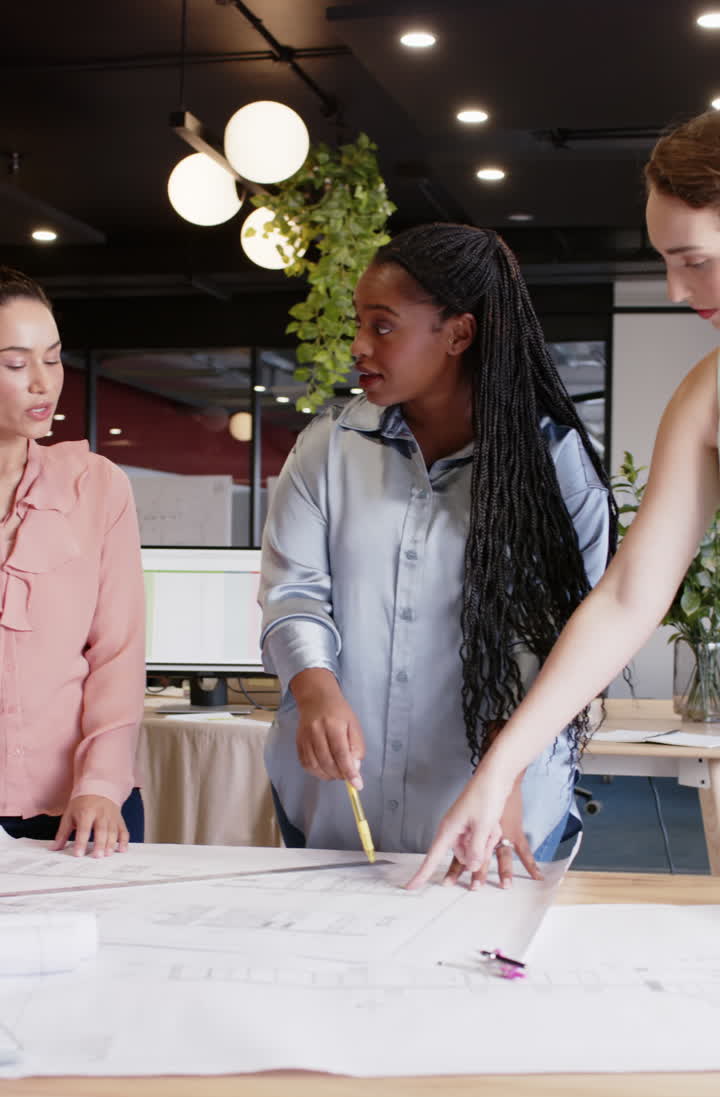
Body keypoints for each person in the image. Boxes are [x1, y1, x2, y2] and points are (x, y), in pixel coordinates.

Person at [409, 109, 720, 890]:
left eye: (694, 261)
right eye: (666, 263)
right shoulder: (706, 397)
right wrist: (499, 768)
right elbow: (626, 596)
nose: (676, 289)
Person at [260, 222, 616, 880]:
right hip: (334, 806)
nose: (359, 346)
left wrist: (506, 770)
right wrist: (314, 689)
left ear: (458, 334)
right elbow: (294, 593)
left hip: (499, 817)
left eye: (383, 325)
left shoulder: (556, 469)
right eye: (359, 324)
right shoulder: (327, 449)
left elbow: (567, 643)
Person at [0, 266, 145, 857]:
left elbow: (118, 653)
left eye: (53, 358)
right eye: (15, 364)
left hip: (83, 811)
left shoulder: (96, 486)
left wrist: (102, 785)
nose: (43, 383)